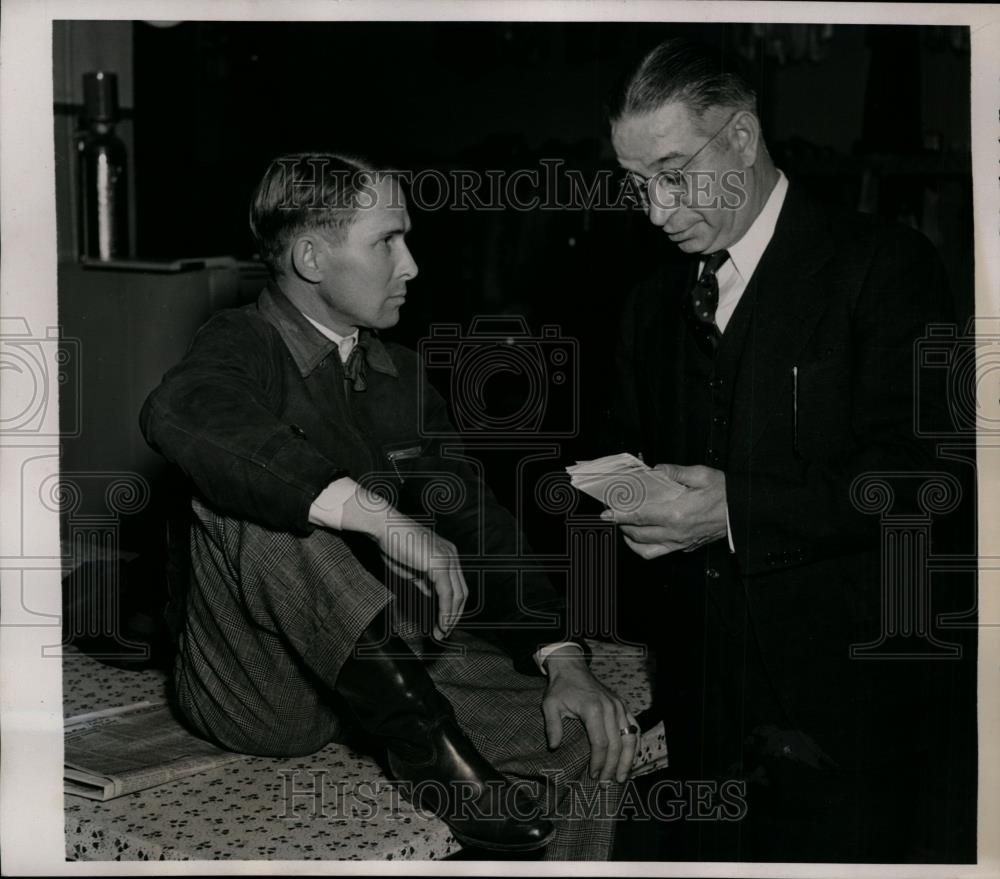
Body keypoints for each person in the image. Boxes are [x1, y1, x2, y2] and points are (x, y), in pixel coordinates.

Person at [140, 152, 639, 860]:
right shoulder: (238, 343)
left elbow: (478, 522)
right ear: (312, 257)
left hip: (380, 667)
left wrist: (561, 654)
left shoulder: (399, 374)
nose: (411, 266)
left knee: (591, 732)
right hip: (265, 690)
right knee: (269, 495)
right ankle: (432, 755)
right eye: (387, 241)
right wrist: (378, 515)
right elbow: (180, 412)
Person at [602, 38, 976, 862]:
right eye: (636, 185)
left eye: (672, 173)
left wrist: (733, 507)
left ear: (741, 137)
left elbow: (933, 476)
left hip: (847, 714)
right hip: (702, 714)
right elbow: (632, 467)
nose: (656, 211)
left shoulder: (887, 266)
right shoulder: (648, 304)